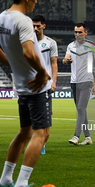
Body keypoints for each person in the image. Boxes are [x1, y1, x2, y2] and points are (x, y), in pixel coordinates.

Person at [0, 0, 51, 187]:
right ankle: (22, 185)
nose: (36, 0)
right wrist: (42, 72)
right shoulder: (22, 20)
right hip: (36, 86)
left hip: (22, 86)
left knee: (25, 132)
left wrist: (13, 65)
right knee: (41, 134)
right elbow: (29, 52)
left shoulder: (1, 19)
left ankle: (5, 180)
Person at [64, 23, 95, 146]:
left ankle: (76, 136)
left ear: (85, 33)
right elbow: (65, 59)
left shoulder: (91, 46)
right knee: (81, 110)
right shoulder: (71, 46)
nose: (77, 34)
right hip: (74, 82)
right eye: (76, 32)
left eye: (80, 32)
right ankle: (88, 137)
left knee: (81, 109)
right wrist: (66, 60)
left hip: (87, 81)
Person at [32, 15, 58, 155]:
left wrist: (53, 81)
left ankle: (41, 145)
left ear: (44, 26)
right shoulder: (28, 43)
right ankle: (35, 143)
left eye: (38, 26)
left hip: (46, 86)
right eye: (33, 26)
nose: (35, 28)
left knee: (45, 120)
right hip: (31, 86)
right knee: (31, 120)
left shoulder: (50, 43)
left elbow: (54, 64)